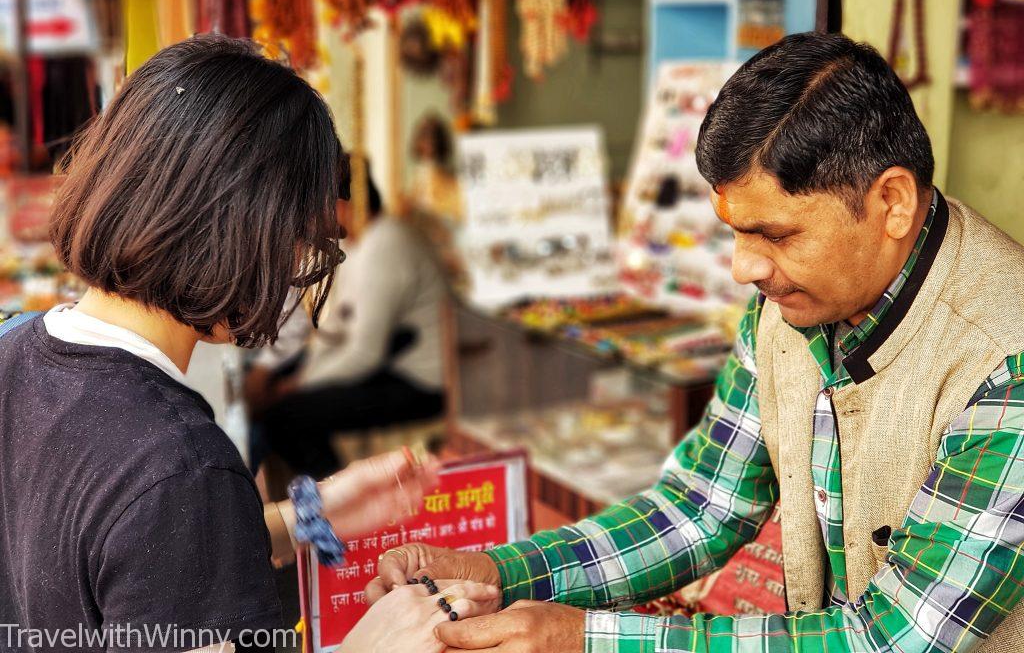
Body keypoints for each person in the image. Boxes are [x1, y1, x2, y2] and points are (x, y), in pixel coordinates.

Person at [370, 32, 1024, 652]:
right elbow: (701, 508)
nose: (746, 268)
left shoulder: (1005, 360)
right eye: (735, 234)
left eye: (777, 235)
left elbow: (892, 638)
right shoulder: (787, 308)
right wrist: (496, 572)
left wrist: (585, 638)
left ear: (892, 203)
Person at [0, 35, 491, 653]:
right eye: (297, 231)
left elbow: (132, 557)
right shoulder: (177, 462)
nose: (297, 260)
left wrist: (312, 517)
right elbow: (159, 525)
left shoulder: (14, 350)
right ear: (247, 227)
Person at [250, 169, 448, 479]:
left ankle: (337, 495)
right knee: (284, 378)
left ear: (341, 203)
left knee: (286, 418)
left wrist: (292, 388)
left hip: (420, 381)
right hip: (386, 363)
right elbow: (337, 331)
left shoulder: (387, 243)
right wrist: (293, 377)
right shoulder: (360, 244)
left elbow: (364, 354)